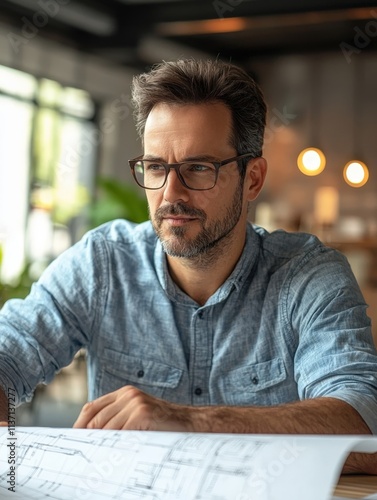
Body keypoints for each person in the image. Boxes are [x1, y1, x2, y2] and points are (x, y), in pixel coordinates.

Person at [0, 59, 377, 474]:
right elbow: (7, 355)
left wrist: (188, 422)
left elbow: (362, 428)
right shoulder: (103, 264)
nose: (169, 194)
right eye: (157, 167)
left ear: (252, 178)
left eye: (199, 168)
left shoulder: (309, 278)